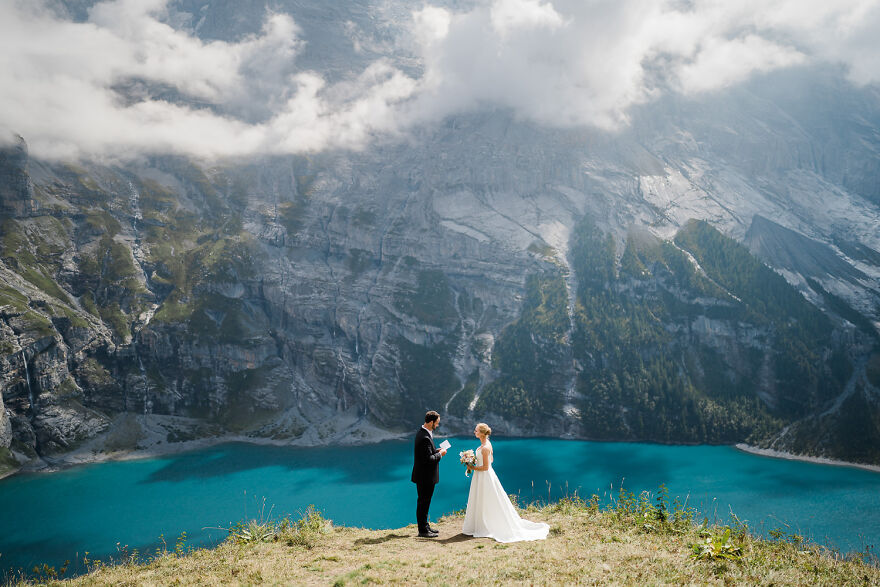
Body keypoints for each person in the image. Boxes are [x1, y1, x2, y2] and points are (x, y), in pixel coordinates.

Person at [462, 422, 549, 542]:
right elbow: (490, 460)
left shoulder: (485, 447)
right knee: (481, 498)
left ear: (482, 433)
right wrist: (472, 462)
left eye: (476, 430)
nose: (474, 432)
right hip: (480, 476)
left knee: (486, 498)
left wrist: (473, 468)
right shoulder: (484, 444)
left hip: (484, 476)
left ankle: (485, 523)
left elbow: (486, 467)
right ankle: (480, 522)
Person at [411, 410, 447, 538]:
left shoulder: (423, 433)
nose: (437, 426)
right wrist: (440, 454)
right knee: (423, 503)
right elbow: (428, 460)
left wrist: (434, 450)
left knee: (424, 502)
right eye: (436, 423)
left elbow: (426, 454)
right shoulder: (425, 437)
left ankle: (425, 526)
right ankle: (423, 530)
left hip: (423, 476)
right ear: (431, 422)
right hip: (425, 477)